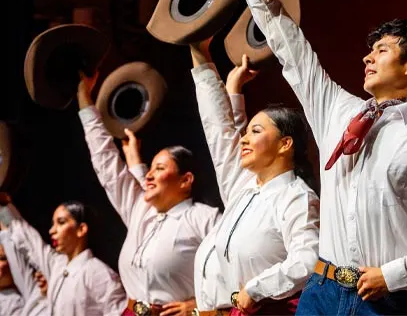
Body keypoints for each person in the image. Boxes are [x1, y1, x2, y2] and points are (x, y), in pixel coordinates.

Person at [243, 0, 407, 315]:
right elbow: (292, 52)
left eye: (382, 50)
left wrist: (394, 275)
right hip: (320, 292)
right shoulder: (338, 111)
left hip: (384, 300)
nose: (368, 57)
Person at [190, 43, 320, 315]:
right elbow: (221, 132)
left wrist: (256, 288)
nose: (245, 139)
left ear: (285, 144)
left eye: (256, 131)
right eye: (246, 132)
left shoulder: (296, 197)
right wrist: (200, 51)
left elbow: (309, 260)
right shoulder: (245, 188)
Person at [76, 73, 219, 316]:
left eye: (160, 169)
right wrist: (83, 97)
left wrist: (201, 308)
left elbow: (233, 265)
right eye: (149, 169)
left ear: (185, 180)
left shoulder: (203, 218)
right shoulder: (140, 211)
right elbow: (107, 165)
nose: (149, 176)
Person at [0, 194, 125, 315]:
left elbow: (124, 311)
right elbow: (29, 240)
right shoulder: (57, 265)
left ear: (81, 229)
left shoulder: (96, 272)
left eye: (61, 222)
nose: (52, 230)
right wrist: (4, 207)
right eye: (53, 224)